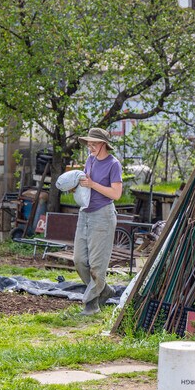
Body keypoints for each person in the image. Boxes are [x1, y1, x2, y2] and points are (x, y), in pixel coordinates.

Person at [74, 128, 123, 315]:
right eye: (88, 143)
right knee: (79, 260)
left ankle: (91, 305)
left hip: (103, 215)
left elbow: (116, 194)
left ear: (103, 144)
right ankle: (105, 291)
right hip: (85, 213)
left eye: (93, 143)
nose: (90, 146)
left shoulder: (113, 165)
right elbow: (87, 185)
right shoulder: (90, 160)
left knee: (96, 264)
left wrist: (92, 184)